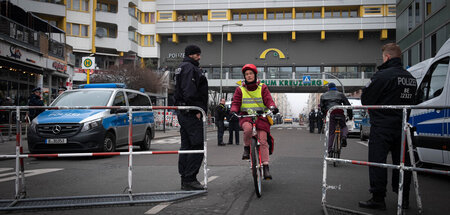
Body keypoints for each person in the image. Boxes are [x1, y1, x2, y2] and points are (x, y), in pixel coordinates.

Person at [359, 43, 417, 210]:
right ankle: (403, 198)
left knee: (378, 162)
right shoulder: (410, 78)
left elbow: (366, 99)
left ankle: (378, 198)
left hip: (382, 126)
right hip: (403, 126)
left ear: (387, 57)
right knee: (402, 164)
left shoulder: (382, 76)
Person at [230, 64, 278, 180]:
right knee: (247, 129)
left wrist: (272, 107)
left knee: (263, 140)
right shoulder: (240, 89)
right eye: (246, 74)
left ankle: (266, 167)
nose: (249, 76)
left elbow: (268, 100)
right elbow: (236, 103)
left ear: (255, 74)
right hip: (246, 116)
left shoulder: (263, 87)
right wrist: (233, 111)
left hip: (261, 117)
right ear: (244, 76)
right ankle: (247, 148)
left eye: (251, 73)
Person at [174, 45, 208, 191]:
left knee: (186, 146)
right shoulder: (189, 68)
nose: (199, 57)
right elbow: (189, 91)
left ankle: (185, 178)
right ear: (191, 55)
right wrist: (196, 109)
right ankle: (190, 178)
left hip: (184, 111)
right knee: (197, 145)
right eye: (197, 55)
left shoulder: (182, 67)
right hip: (191, 112)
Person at [320, 82, 353, 154]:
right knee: (344, 126)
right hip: (339, 112)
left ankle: (330, 151)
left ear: (328, 88)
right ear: (335, 87)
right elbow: (348, 105)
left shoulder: (323, 96)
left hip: (330, 113)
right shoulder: (340, 94)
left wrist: (324, 116)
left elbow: (322, 108)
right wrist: (350, 116)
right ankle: (344, 136)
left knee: (331, 132)